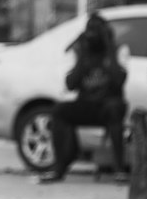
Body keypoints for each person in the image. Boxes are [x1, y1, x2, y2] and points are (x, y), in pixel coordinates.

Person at [40, 12, 128, 184]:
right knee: (60, 110)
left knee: (114, 108)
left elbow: (119, 81)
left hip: (109, 106)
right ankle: (61, 165)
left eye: (97, 32)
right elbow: (70, 84)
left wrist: (109, 48)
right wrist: (82, 56)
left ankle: (119, 169)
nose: (93, 36)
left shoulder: (118, 50)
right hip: (88, 105)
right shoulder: (82, 50)